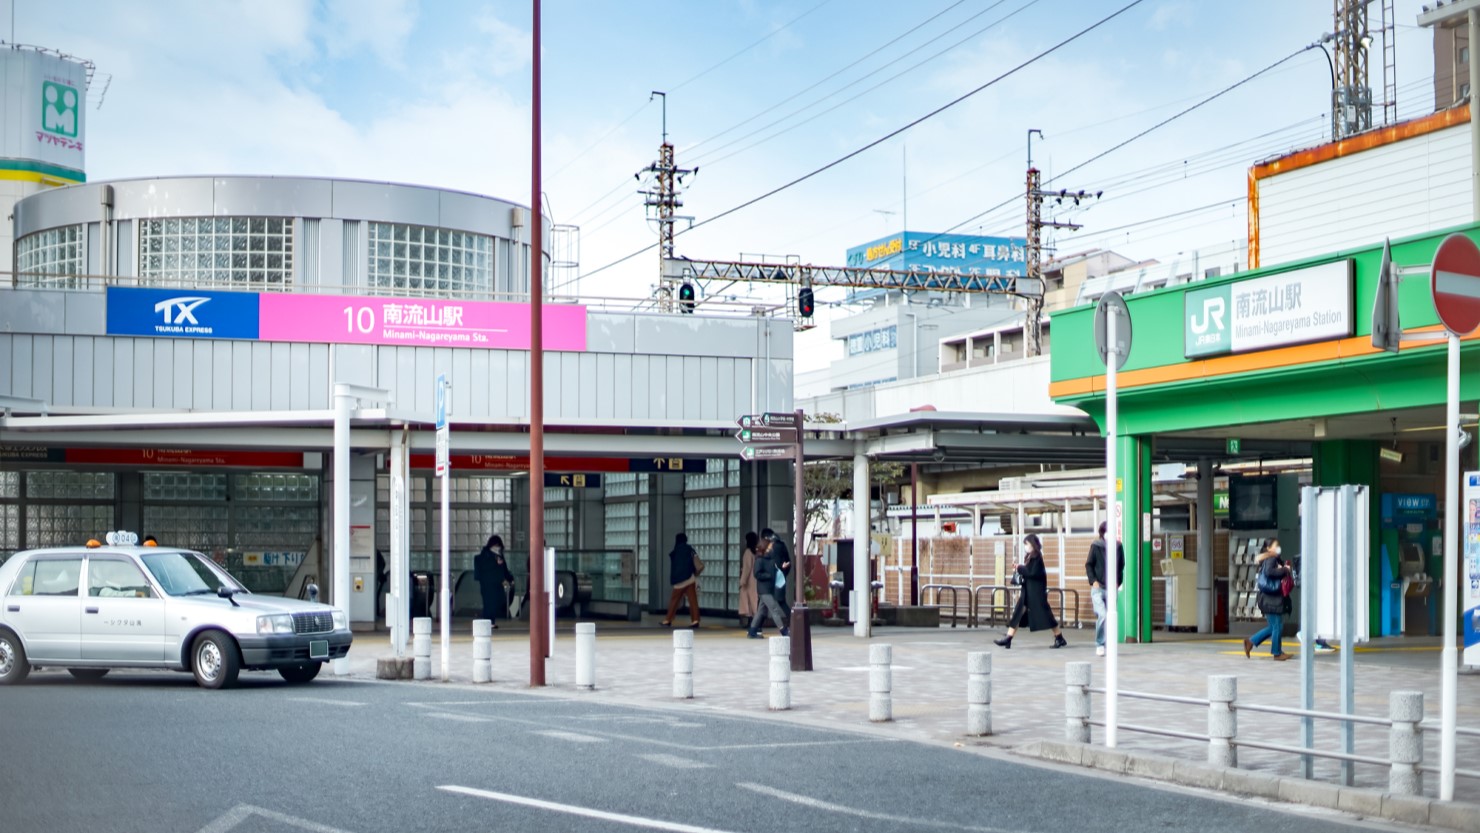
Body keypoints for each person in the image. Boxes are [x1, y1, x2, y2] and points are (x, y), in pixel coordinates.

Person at [994, 533, 1067, 649]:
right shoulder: (1031, 556)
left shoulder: (1037, 557)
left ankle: (1059, 637)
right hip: (1028, 592)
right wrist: (1020, 567)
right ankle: (1008, 638)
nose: (1025, 547)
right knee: (1017, 613)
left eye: (1026, 544)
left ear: (1032, 544)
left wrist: (1019, 567)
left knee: (1046, 616)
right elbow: (1029, 571)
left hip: (1036, 593)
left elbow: (1032, 572)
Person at [1244, 538, 1293, 661]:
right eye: (1275, 546)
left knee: (1274, 626)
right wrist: (1285, 569)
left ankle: (1251, 642)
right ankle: (1277, 653)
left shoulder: (1269, 558)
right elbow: (1269, 572)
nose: (1278, 548)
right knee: (1277, 626)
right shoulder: (1271, 558)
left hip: (1269, 598)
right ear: (1269, 548)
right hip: (1271, 599)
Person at [1085, 521, 1125, 657]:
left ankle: (1108, 643)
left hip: (1111, 588)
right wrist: (1093, 581)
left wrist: (1118, 582)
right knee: (1102, 615)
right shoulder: (1096, 546)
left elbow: (1121, 566)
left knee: (1109, 617)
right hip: (1098, 588)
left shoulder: (1118, 546)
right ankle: (1100, 644)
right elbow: (1089, 564)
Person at [747, 534, 789, 638]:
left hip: (769, 589)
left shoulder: (770, 559)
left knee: (761, 611)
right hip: (764, 590)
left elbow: (775, 571)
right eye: (770, 546)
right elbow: (757, 574)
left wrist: (782, 568)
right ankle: (783, 631)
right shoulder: (759, 560)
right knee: (774, 609)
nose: (771, 548)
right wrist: (769, 576)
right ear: (765, 547)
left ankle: (752, 631)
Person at [661, 532, 702, 628]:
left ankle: (668, 619)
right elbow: (697, 562)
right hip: (689, 579)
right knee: (693, 601)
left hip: (678, 581)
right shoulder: (690, 549)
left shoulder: (675, 551)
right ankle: (695, 620)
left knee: (674, 601)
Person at [473, 535, 514, 628]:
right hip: (487, 584)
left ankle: (489, 621)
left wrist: (509, 578)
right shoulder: (485, 555)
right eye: (496, 545)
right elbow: (486, 568)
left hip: (496, 584)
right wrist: (495, 563)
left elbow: (504, 569)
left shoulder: (499, 556)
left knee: (494, 602)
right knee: (489, 603)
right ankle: (489, 622)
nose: (497, 548)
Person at [762, 527, 794, 620]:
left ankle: (756, 627)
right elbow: (788, 563)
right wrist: (783, 575)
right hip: (780, 578)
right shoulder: (782, 545)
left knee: (764, 602)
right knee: (780, 601)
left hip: (770, 580)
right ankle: (792, 621)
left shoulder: (770, 547)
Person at [738, 531, 760, 628]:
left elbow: (746, 568)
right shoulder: (757, 552)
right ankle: (754, 622)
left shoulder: (748, 552)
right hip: (756, 580)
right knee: (754, 601)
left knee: (748, 602)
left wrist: (742, 581)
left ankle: (751, 622)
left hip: (749, 581)